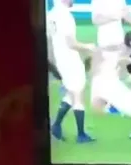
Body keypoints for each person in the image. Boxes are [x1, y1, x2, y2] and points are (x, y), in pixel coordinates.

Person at [48, 0, 95, 142]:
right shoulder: (65, 16)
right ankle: (81, 135)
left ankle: (56, 126)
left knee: (71, 92)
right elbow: (71, 43)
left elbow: (51, 40)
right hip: (70, 59)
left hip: (60, 59)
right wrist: (89, 47)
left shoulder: (51, 14)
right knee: (78, 94)